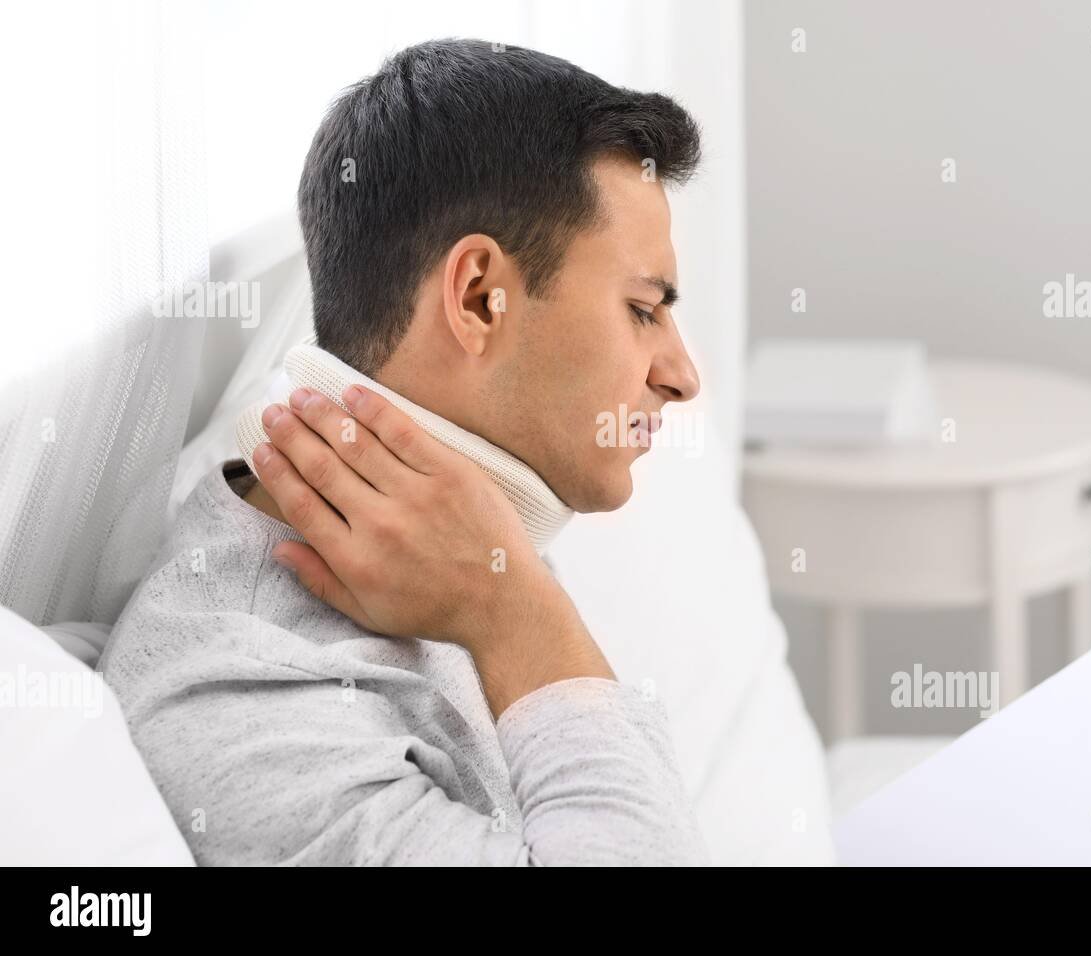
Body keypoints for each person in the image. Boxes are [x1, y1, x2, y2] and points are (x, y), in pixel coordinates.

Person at [99, 37, 708, 866]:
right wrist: (514, 612)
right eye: (644, 309)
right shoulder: (244, 686)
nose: (681, 377)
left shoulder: (464, 531)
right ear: (479, 298)